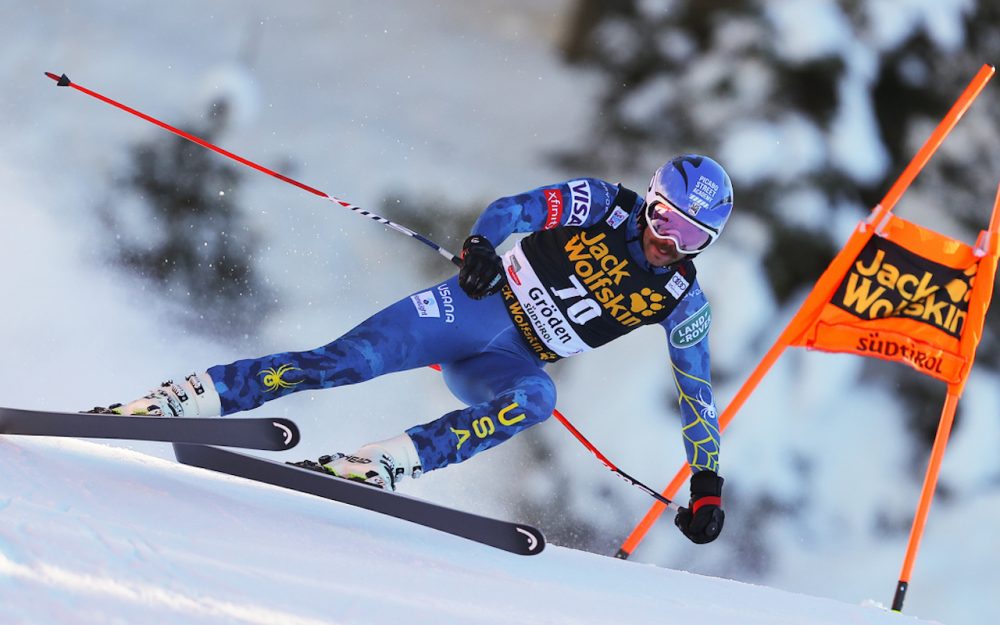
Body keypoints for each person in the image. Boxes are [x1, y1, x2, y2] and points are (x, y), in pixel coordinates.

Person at [101, 154, 732, 545]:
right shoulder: (602, 203)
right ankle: (191, 397)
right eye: (662, 218)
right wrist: (485, 245)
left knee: (537, 399)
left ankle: (388, 462)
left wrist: (706, 481)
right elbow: (514, 209)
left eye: (691, 235)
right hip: (469, 310)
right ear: (648, 200)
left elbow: (696, 392)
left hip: (506, 361)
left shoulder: (684, 301)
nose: (667, 241)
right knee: (344, 362)